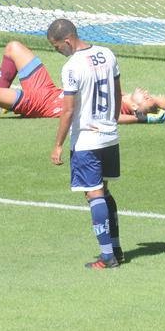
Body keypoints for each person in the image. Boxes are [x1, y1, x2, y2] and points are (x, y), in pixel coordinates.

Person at [0, 39, 165, 124]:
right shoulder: (126, 99)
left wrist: (145, 119)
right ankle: (2, 102)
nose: (145, 92)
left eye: (145, 97)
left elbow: (116, 119)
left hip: (42, 105)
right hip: (49, 90)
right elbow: (161, 101)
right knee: (13, 47)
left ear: (137, 108)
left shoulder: (117, 110)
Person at [47, 18, 125, 270]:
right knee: (104, 190)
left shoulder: (72, 67)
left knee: (93, 193)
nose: (58, 51)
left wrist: (58, 144)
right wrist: (111, 122)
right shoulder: (107, 54)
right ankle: (116, 248)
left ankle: (107, 257)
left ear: (67, 41)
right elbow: (118, 92)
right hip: (109, 136)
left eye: (57, 47)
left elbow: (68, 111)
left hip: (86, 140)